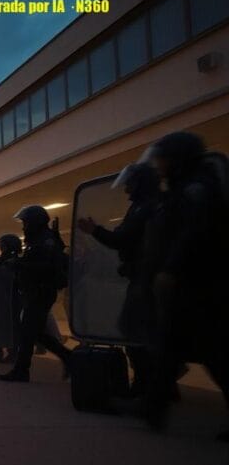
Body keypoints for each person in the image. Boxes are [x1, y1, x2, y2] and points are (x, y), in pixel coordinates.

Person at [138, 132, 228, 433]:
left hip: (200, 284)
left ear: (177, 159)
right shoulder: (184, 188)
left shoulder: (197, 189)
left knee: (211, 352)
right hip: (191, 283)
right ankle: (152, 409)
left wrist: (171, 269)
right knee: (171, 347)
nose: (158, 165)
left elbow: (194, 233)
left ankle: (153, 409)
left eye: (162, 159)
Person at [77, 163, 161, 397]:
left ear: (140, 183)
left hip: (146, 279)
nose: (126, 189)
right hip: (145, 277)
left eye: (130, 184)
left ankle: (147, 386)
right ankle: (158, 385)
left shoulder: (146, 207)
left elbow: (123, 239)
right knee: (143, 332)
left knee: (132, 331)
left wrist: (95, 231)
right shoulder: (146, 205)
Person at [0, 205, 71, 382]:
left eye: (26, 222)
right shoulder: (38, 239)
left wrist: (19, 264)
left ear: (35, 222)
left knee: (28, 332)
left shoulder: (46, 241)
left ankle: (22, 370)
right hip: (35, 290)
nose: (24, 227)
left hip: (41, 290)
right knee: (34, 332)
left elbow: (46, 267)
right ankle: (68, 358)